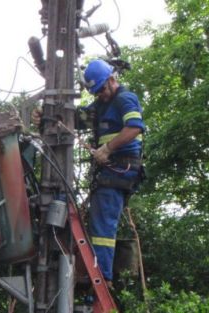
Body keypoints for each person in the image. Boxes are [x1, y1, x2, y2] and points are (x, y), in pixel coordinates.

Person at [82, 59, 145, 286]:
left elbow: (135, 127)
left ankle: (102, 280)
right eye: (96, 92)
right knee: (100, 220)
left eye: (102, 89)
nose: (101, 95)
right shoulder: (102, 104)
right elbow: (79, 118)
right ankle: (103, 276)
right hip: (114, 169)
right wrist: (47, 116)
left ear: (111, 79)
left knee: (102, 225)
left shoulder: (124, 99)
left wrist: (108, 148)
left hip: (121, 167)